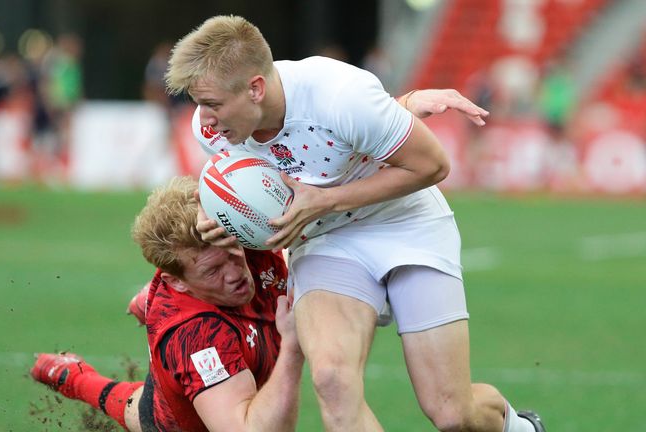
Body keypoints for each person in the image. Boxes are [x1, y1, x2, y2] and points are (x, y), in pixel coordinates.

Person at [166, 15, 545, 432]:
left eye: (214, 104)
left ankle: (518, 427)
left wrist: (324, 201)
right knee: (332, 381)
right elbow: (251, 186)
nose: (206, 119)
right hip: (329, 239)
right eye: (199, 103)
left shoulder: (339, 93)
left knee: (452, 414)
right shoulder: (211, 128)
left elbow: (433, 165)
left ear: (255, 88)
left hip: (407, 222)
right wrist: (220, 217)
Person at [31, 176, 303, 432]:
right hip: (179, 421)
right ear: (177, 283)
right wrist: (292, 345)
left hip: (217, 318)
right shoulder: (195, 333)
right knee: (140, 411)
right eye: (213, 271)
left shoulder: (241, 230)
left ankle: (150, 298)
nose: (235, 274)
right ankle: (73, 377)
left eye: (233, 253)